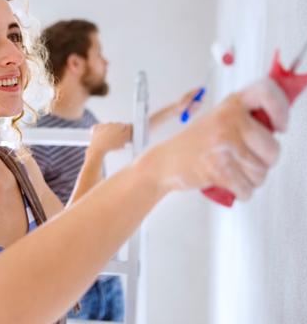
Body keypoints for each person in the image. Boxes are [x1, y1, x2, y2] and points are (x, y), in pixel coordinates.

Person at [0, 0, 289, 324]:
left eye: (14, 35)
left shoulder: (20, 168)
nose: (14, 54)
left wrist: (173, 171)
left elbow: (72, 238)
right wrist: (155, 172)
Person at [32, 19, 203, 321]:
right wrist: (96, 153)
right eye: (98, 53)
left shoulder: (86, 119)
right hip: (73, 291)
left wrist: (176, 109)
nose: (106, 61)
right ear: (75, 63)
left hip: (108, 277)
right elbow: (53, 229)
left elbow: (127, 134)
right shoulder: (38, 138)